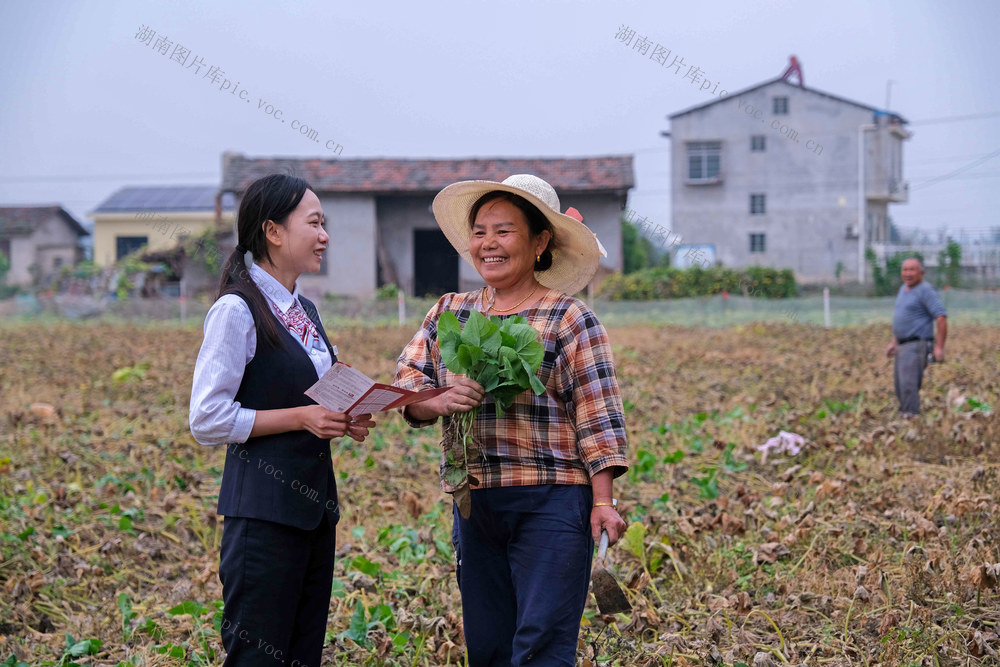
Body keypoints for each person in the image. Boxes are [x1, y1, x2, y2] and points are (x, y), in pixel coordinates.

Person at [394, 174, 629, 666]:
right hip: (473, 500)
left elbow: (597, 413)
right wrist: (438, 399)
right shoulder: (449, 313)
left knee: (542, 642)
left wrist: (603, 501)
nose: (488, 244)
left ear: (540, 241)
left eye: (504, 230)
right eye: (480, 232)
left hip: (553, 501)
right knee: (488, 644)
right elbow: (407, 389)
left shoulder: (568, 317)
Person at [189, 174, 375, 666]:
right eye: (314, 223)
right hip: (263, 519)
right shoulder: (236, 309)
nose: (324, 235)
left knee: (301, 654)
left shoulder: (303, 309)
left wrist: (345, 415)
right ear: (273, 231)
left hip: (314, 514)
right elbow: (206, 418)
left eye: (324, 223)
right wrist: (302, 418)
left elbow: (311, 391)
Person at [885, 257, 947, 417]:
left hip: (917, 344)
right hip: (902, 345)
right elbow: (904, 319)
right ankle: (905, 417)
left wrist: (939, 347)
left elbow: (940, 317)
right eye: (905, 269)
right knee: (900, 386)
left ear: (922, 273)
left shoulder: (925, 290)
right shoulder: (903, 289)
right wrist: (894, 342)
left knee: (908, 385)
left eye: (912, 270)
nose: (907, 273)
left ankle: (911, 420)